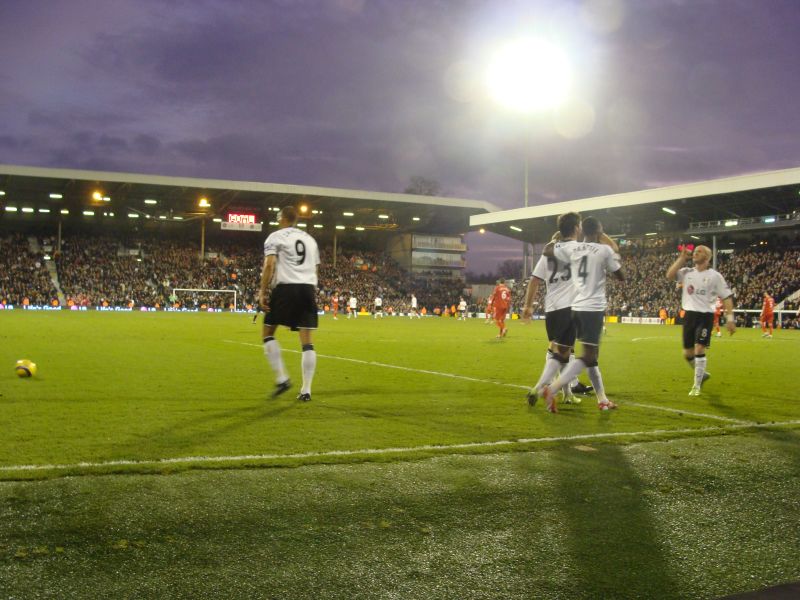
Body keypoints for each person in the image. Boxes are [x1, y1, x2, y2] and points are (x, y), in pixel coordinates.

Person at [541, 216, 624, 412]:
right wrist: (602, 236)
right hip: (591, 308)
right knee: (586, 356)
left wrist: (556, 239)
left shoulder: (573, 248)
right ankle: (552, 388)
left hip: (574, 306)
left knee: (576, 355)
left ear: (581, 230)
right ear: (598, 231)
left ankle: (602, 399)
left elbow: (546, 250)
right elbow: (617, 259)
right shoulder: (602, 249)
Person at [522, 212, 591, 407]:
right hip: (570, 307)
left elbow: (534, 280)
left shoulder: (547, 252)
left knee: (561, 353)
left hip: (551, 309)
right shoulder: (581, 249)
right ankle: (539, 388)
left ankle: (566, 393)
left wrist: (528, 306)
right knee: (562, 354)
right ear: (577, 228)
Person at [259, 206, 320, 402]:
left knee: (268, 333)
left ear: (282, 218)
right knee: (307, 341)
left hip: (286, 288)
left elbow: (269, 265)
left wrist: (262, 291)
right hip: (308, 289)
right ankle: (306, 390)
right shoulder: (310, 240)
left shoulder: (275, 237)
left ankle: (282, 378)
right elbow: (315, 269)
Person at [666, 244, 735, 396]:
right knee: (687, 354)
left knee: (699, 348)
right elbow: (669, 275)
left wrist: (730, 318)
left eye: (699, 251)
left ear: (708, 257)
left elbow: (727, 297)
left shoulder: (715, 276)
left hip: (705, 316)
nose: (695, 253)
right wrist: (681, 258)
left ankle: (696, 386)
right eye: (695, 251)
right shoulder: (686, 272)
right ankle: (702, 375)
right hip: (689, 316)